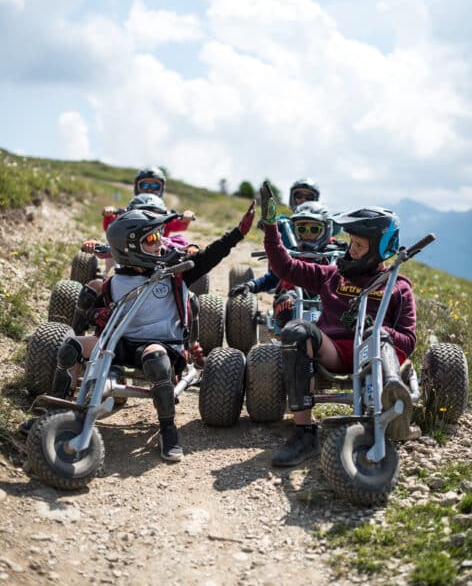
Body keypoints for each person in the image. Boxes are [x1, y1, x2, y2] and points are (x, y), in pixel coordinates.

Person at [25, 202, 256, 460]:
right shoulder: (116, 281)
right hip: (118, 343)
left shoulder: (175, 273)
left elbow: (210, 255)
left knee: (156, 359)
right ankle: (54, 413)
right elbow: (94, 312)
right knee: (71, 346)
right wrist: (91, 303)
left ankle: (168, 429)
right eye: (153, 238)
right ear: (131, 247)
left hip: (160, 345)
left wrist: (238, 233)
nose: (161, 243)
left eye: (160, 236)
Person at [259, 182, 416, 467]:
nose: (351, 250)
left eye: (359, 246)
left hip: (375, 357)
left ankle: (391, 403)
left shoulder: (398, 287)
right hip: (334, 351)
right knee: (296, 330)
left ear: (378, 250)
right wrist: (271, 229)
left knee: (379, 338)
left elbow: (408, 339)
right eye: (351, 243)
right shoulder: (332, 275)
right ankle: (305, 433)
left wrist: (381, 332)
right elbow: (286, 267)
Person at [229, 201, 346, 332]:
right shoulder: (292, 254)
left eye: (314, 229)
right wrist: (251, 285)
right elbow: (273, 277)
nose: (307, 234)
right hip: (292, 302)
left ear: (327, 229)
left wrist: (347, 254)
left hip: (327, 302)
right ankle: (288, 337)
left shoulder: (336, 253)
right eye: (301, 229)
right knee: (287, 301)